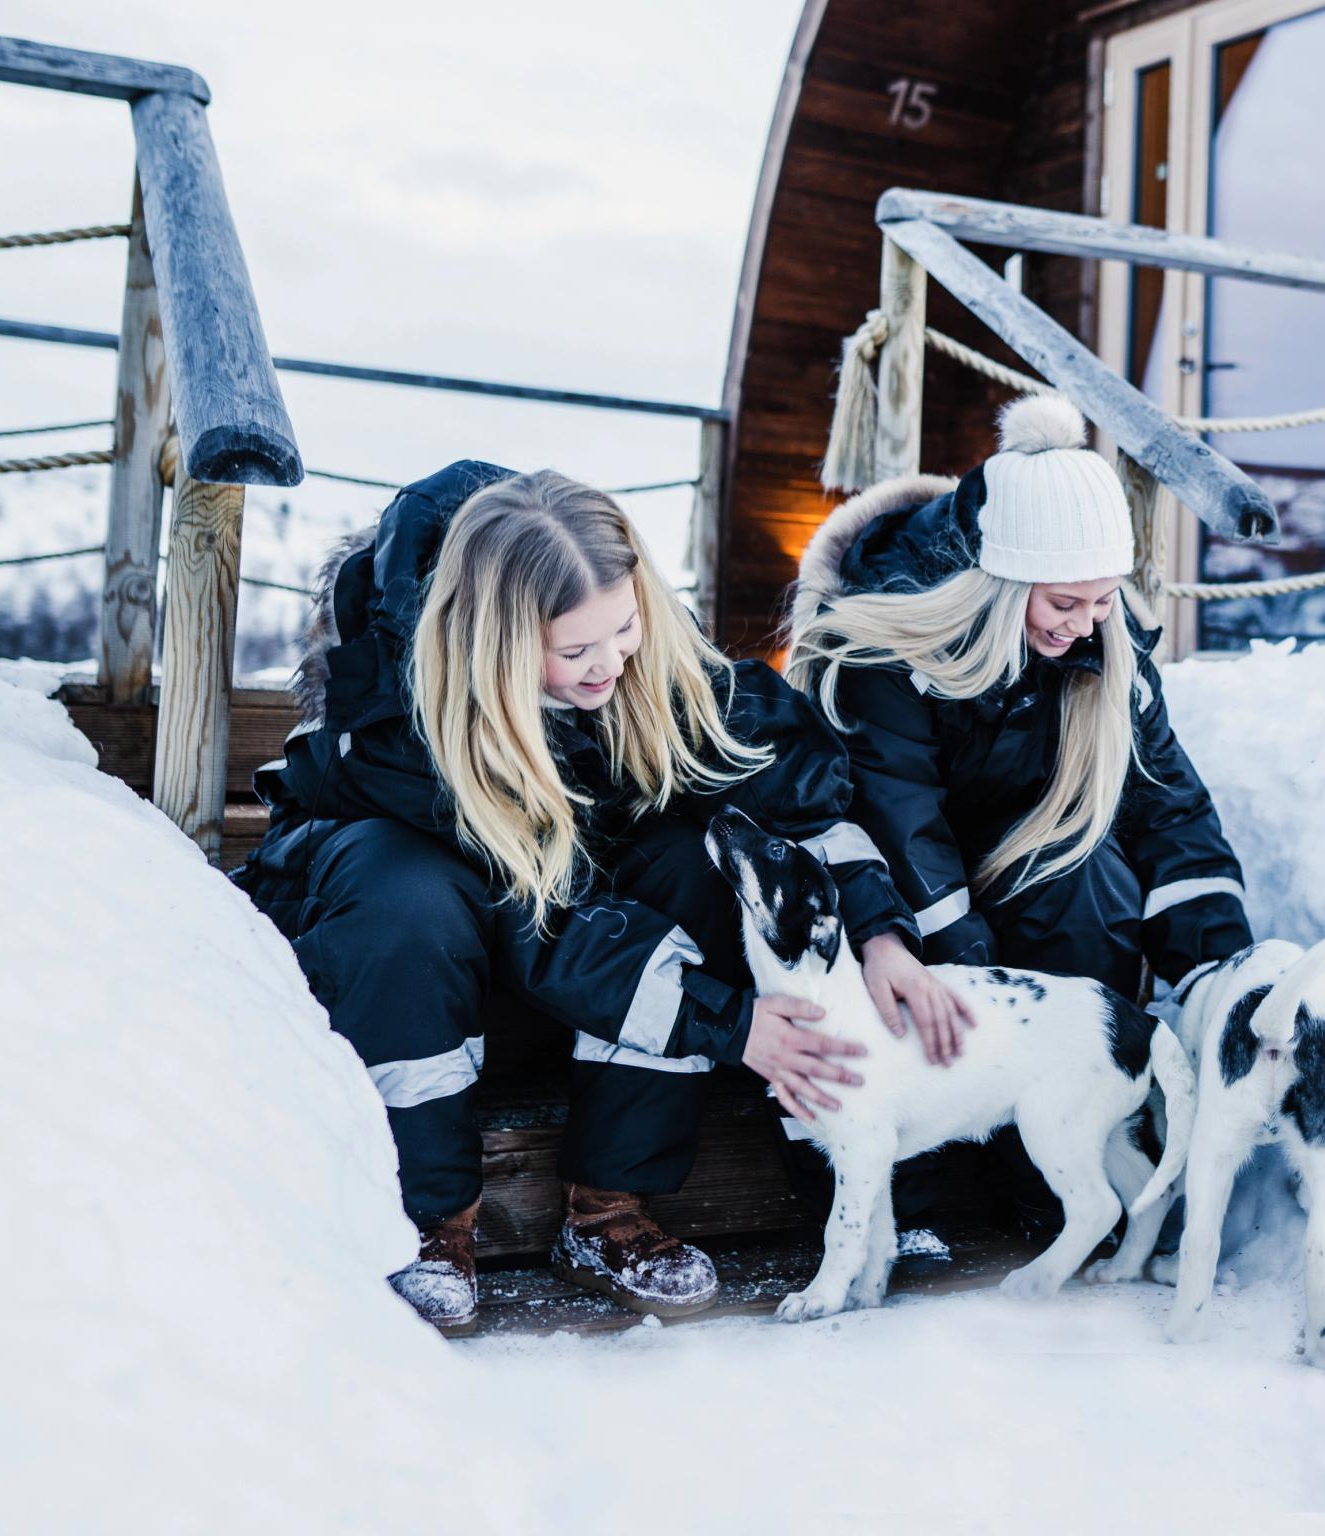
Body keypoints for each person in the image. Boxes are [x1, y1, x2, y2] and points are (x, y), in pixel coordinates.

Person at [232, 464, 917, 1335]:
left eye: (624, 629)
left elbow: (792, 783)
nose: (609, 664)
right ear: (500, 644)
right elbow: (542, 919)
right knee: (406, 896)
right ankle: (425, 1217)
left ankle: (607, 1208)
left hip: (561, 908)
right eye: (575, 650)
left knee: (696, 854)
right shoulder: (407, 715)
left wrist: (884, 930)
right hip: (416, 920)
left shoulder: (640, 651)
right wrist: (729, 1024)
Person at [782, 395, 1254, 1227]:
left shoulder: (1103, 642)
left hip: (1009, 859)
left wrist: (1221, 965)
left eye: (1104, 600)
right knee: (921, 976)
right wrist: (973, 963)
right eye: (1064, 604)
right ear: (999, 583)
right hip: (890, 885)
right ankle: (909, 1199)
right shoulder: (883, 648)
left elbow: (1166, 804)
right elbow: (895, 812)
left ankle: (1066, 1186)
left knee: (1087, 886)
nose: (1086, 627)